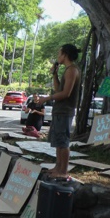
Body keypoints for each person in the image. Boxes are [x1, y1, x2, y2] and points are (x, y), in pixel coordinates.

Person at [40, 44, 81, 179]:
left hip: (65, 111)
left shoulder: (72, 70)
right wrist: (55, 74)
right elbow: (59, 90)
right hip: (59, 111)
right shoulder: (67, 70)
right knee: (58, 142)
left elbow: (66, 93)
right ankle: (58, 167)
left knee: (63, 142)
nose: (58, 57)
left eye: (59, 53)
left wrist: (47, 98)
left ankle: (63, 171)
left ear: (65, 55)